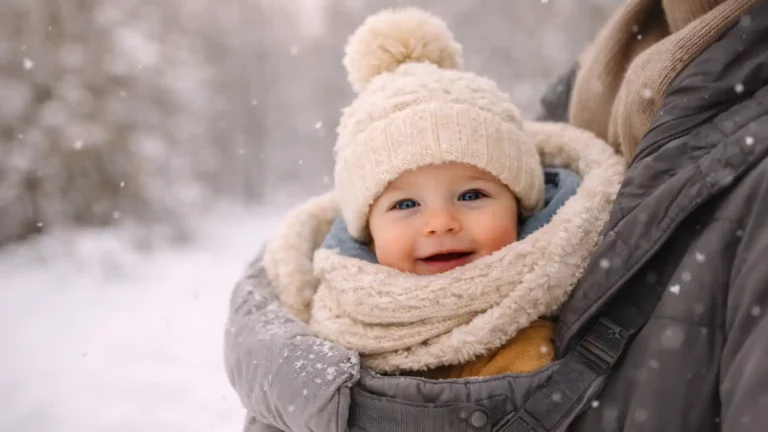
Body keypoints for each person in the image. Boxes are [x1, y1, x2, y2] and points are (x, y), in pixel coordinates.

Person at [226, 0, 768, 430]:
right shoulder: (329, 313)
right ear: (364, 230)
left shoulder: (540, 303)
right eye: (405, 205)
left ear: (524, 204)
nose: (439, 223)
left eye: (471, 196)